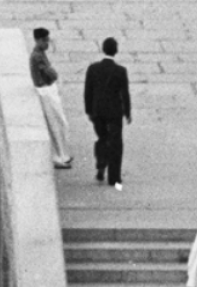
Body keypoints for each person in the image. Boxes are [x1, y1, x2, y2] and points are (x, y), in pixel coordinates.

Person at [84, 37, 131, 190]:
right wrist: (127, 112)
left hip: (97, 112)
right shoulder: (120, 71)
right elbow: (125, 94)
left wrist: (89, 110)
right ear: (116, 51)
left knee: (102, 138)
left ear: (103, 49)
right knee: (116, 144)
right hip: (114, 113)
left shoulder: (92, 68)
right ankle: (114, 177)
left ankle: (101, 163)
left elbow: (88, 91)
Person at [31, 28, 73, 168]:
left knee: (58, 123)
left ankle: (62, 154)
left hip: (46, 90)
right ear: (38, 40)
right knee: (56, 123)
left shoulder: (39, 54)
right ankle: (60, 156)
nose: (47, 43)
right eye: (45, 40)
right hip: (45, 91)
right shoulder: (37, 56)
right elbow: (51, 74)